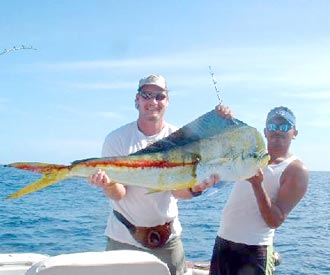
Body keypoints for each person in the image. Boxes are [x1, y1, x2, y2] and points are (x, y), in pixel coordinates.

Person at [89, 74, 218, 275]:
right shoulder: (117, 139)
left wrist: (195, 188)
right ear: (137, 99)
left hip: (167, 239)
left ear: (167, 101)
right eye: (147, 95)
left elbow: (177, 192)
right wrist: (108, 184)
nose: (153, 101)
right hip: (123, 237)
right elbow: (119, 194)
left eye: (160, 96)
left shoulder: (180, 138)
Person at [209, 105, 309, 275]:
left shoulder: (296, 170)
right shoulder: (250, 154)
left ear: (295, 133)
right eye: (272, 126)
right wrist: (223, 119)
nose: (277, 131)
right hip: (223, 243)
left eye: (284, 126)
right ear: (265, 131)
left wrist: (257, 185)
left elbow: (275, 221)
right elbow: (229, 138)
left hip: (255, 251)